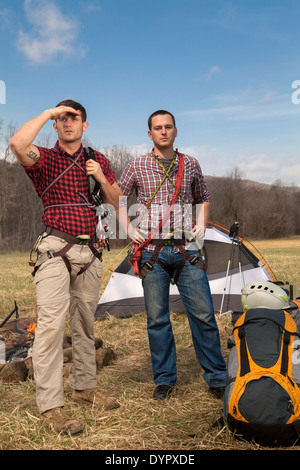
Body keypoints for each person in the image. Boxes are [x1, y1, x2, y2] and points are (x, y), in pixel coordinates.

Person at [9, 99, 122, 435]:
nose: (68, 123)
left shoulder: (97, 159)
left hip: (93, 252)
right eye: (62, 119)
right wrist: (47, 112)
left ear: (84, 125)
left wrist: (101, 178)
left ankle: (85, 388)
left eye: (74, 118)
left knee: (85, 324)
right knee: (50, 328)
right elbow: (16, 144)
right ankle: (52, 407)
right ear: (56, 125)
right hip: (56, 249)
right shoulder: (44, 158)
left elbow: (120, 204)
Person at [117, 110, 226, 400]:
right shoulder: (137, 165)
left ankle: (217, 377)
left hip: (187, 249)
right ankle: (164, 379)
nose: (163, 131)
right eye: (157, 127)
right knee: (157, 320)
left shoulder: (189, 163)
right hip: (151, 252)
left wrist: (200, 228)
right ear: (149, 133)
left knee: (203, 315)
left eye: (168, 127)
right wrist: (128, 229)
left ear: (175, 131)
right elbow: (118, 197)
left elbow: (203, 196)